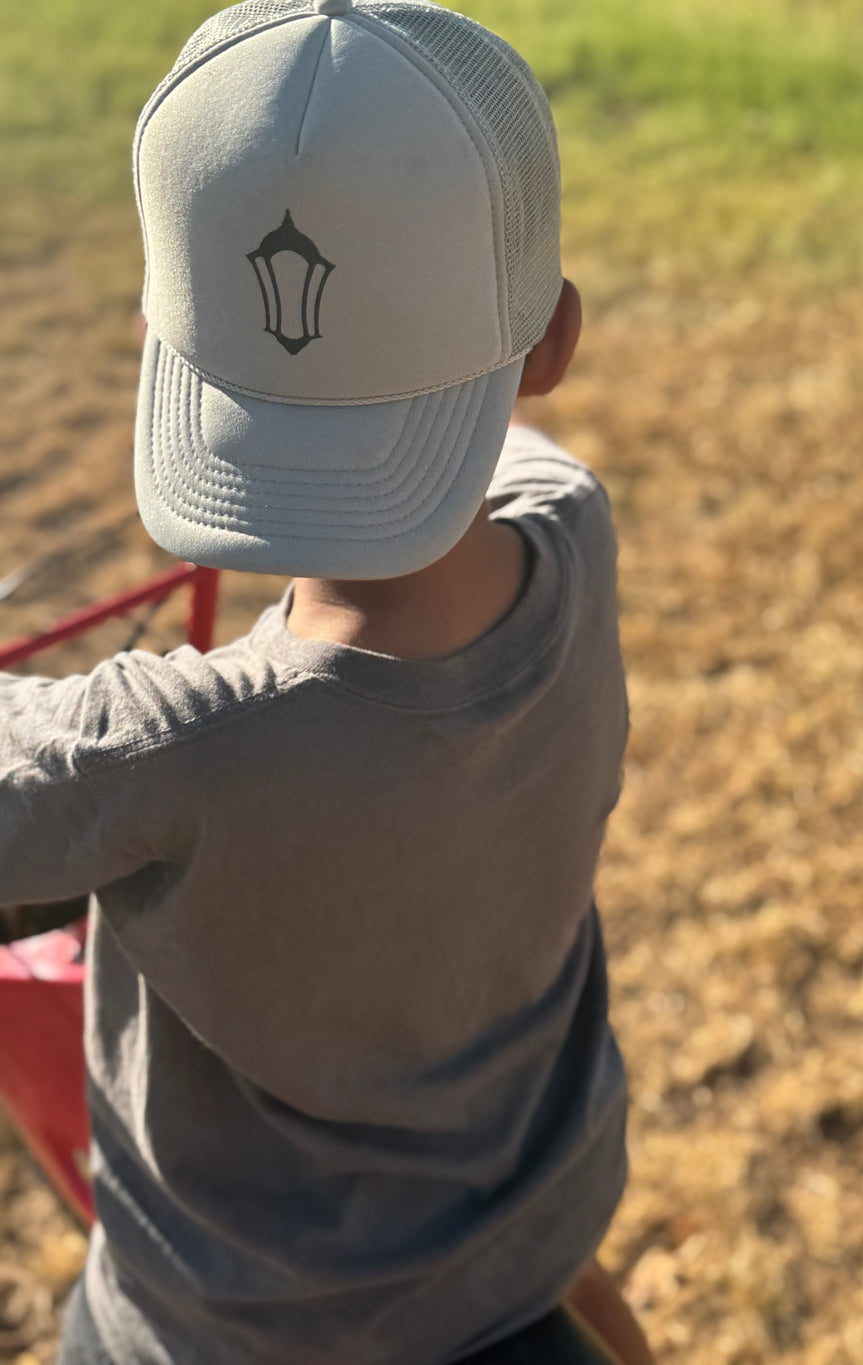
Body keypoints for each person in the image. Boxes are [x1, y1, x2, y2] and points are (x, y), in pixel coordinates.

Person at [0, 1, 653, 1362]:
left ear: (162, 335)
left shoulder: (160, 751)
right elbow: (521, 475)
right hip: (523, 1236)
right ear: (552, 345)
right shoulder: (575, 532)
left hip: (230, 1333)